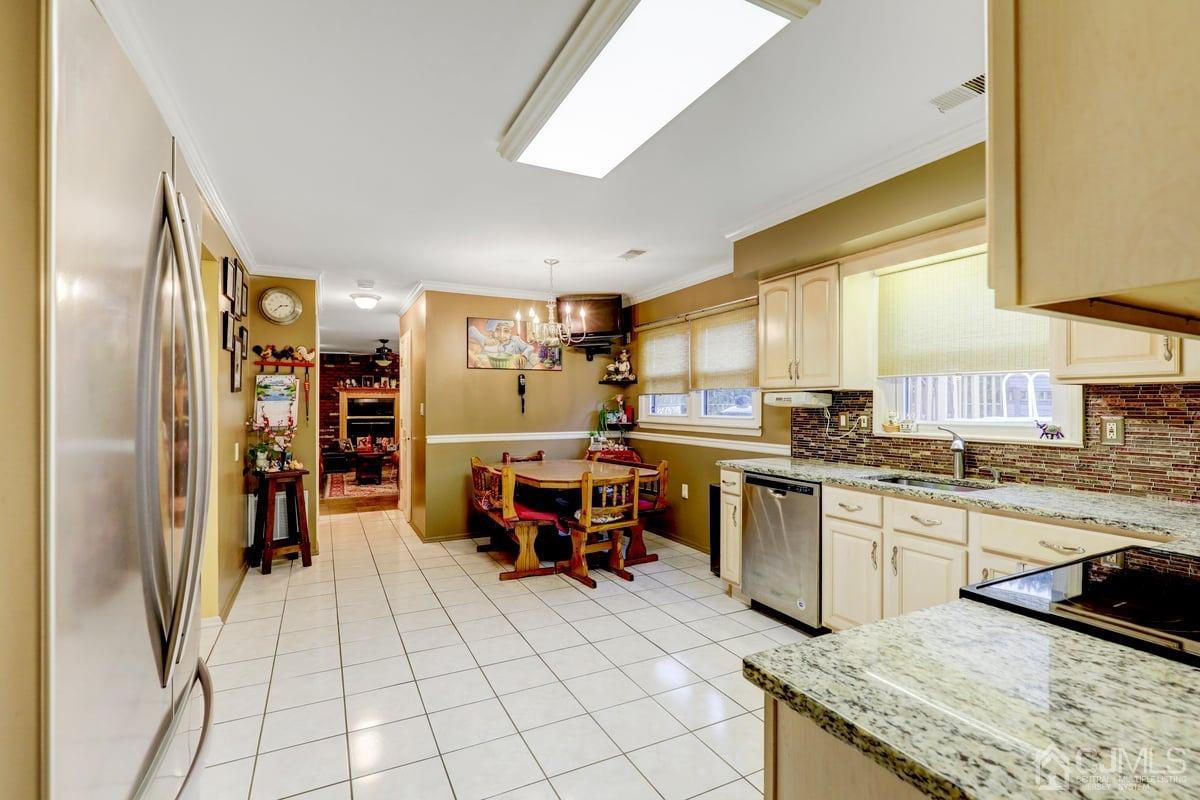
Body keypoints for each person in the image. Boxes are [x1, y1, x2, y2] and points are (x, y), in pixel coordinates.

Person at [469, 319, 540, 368]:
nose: (502, 335)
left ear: (510, 332)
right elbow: (471, 330)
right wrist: (484, 340)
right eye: (498, 330)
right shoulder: (488, 342)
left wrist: (524, 356)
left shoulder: (515, 340)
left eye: (506, 331)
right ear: (492, 331)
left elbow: (530, 347)